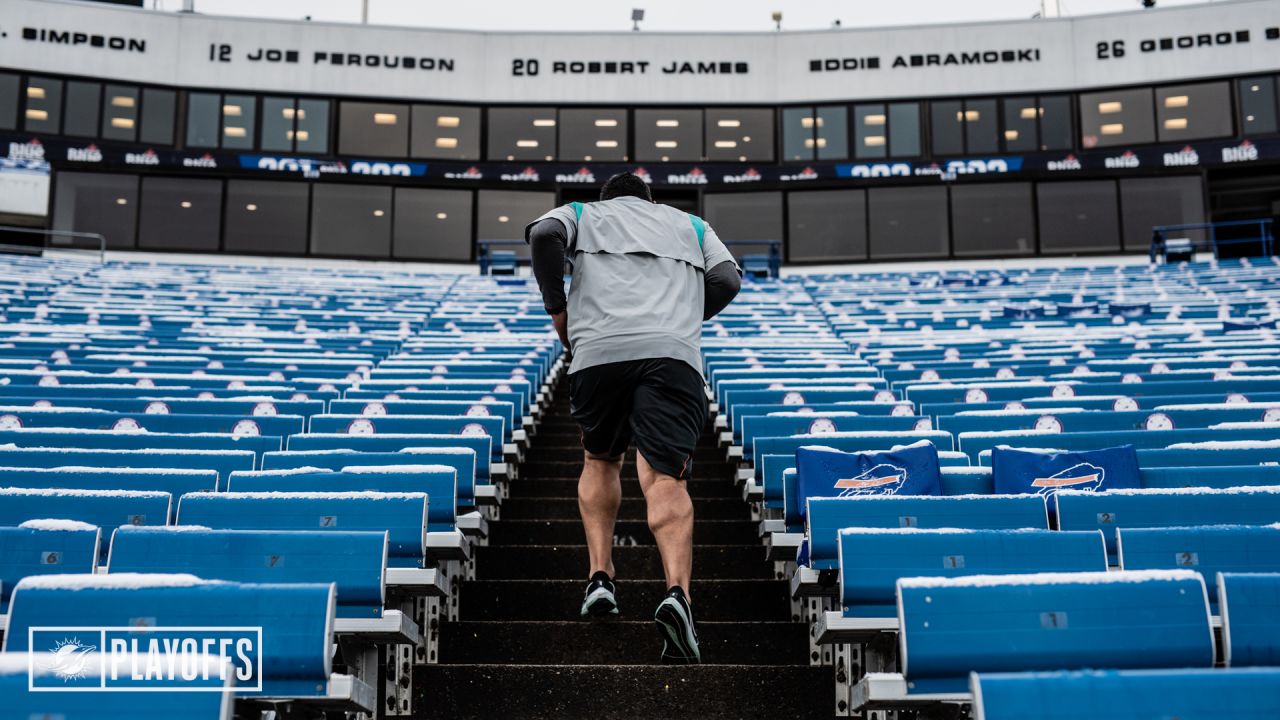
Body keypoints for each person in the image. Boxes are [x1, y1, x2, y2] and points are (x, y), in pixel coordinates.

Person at [524, 172, 741, 664]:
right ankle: (676, 595)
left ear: (609, 196)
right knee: (666, 477)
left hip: (598, 350)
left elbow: (542, 235)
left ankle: (600, 576)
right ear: (651, 199)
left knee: (600, 459)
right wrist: (683, 316)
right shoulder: (691, 224)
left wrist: (558, 310)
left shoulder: (583, 213)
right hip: (671, 354)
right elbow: (728, 278)